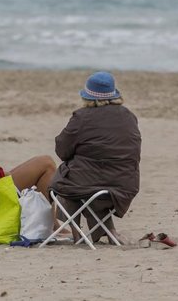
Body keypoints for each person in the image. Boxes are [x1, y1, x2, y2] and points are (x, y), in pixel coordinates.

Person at [49, 71, 141, 244]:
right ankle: (108, 231)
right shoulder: (129, 116)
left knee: (64, 182)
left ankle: (77, 234)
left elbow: (62, 150)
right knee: (92, 178)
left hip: (90, 185)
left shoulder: (82, 117)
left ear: (88, 96)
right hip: (125, 185)